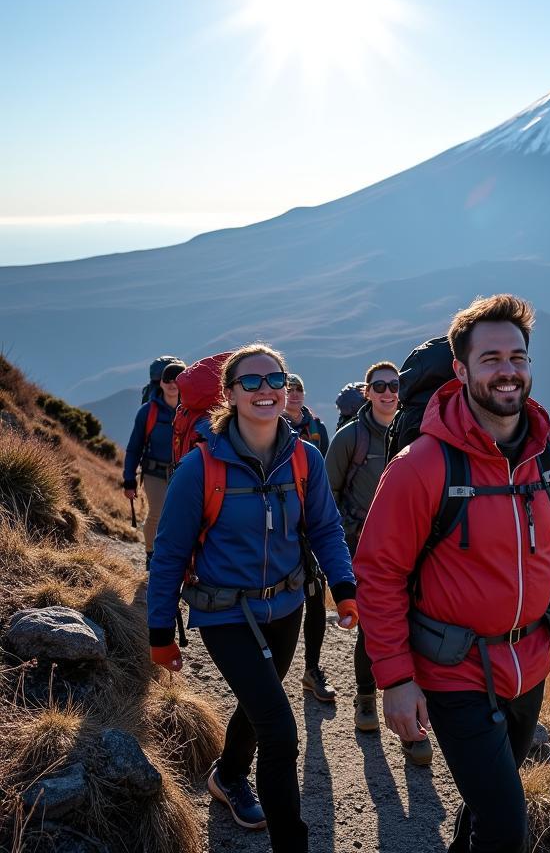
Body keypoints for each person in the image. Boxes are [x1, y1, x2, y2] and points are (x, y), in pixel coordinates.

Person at [356, 295, 550, 853]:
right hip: (454, 671)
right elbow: (379, 574)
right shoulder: (423, 466)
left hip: (528, 664)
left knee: (485, 811)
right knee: (506, 826)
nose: (508, 371)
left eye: (518, 357)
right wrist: (397, 679)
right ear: (461, 370)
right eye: (491, 358)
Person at [147, 343, 357, 853]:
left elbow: (326, 529)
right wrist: (159, 632)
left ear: (286, 390)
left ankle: (229, 775)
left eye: (275, 380)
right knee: (281, 730)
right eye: (252, 382)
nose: (265, 390)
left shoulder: (305, 459)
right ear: (230, 394)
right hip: (224, 614)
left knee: (257, 701)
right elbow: (169, 554)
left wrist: (344, 587)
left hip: (287, 607)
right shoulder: (201, 469)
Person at [321, 360, 427, 755]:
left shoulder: (414, 435)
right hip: (359, 547)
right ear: (367, 392)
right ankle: (366, 698)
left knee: (417, 626)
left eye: (393, 386)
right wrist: (331, 553)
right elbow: (326, 497)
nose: (387, 392)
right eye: (378, 386)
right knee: (374, 626)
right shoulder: (351, 438)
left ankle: (414, 721)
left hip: (411, 547)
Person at [283, 372, 336, 702]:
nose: (295, 395)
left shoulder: (317, 429)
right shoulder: (268, 429)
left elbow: (326, 475)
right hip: (281, 525)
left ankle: (312, 670)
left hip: (311, 524)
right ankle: (270, 673)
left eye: (299, 389)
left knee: (316, 596)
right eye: (290, 390)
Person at [124, 358, 185, 570]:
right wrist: (128, 480)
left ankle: (176, 557)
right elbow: (134, 448)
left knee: (181, 516)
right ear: (159, 383)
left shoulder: (192, 410)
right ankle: (151, 556)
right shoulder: (147, 412)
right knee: (158, 512)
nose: (172, 383)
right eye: (167, 379)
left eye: (177, 378)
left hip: (183, 473)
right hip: (154, 472)